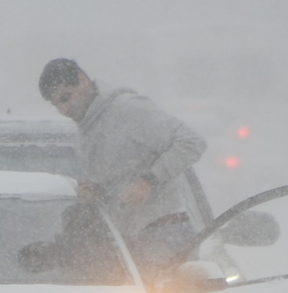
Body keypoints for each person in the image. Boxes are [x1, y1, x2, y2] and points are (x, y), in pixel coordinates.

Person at [38, 58, 206, 263]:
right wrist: (97, 192)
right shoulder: (85, 131)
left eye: (65, 98)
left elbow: (192, 142)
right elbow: (119, 180)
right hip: (126, 244)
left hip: (165, 233)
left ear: (82, 80)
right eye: (56, 105)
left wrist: (149, 181)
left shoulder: (128, 110)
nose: (63, 110)